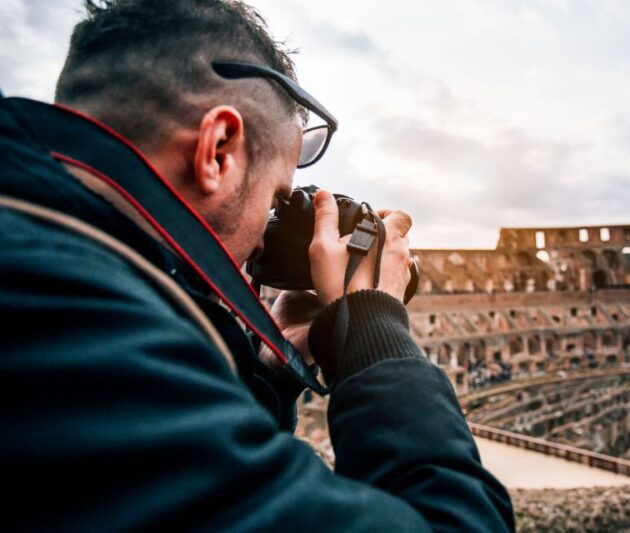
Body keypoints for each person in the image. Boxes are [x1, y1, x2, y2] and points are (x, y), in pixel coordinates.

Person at [0, 0, 514, 530]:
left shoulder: (45, 270)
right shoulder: (72, 323)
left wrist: (271, 371)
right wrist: (376, 332)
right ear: (217, 150)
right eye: (275, 201)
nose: (266, 242)